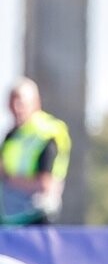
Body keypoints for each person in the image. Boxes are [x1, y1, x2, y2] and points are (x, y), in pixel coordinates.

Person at [0, 78, 71, 226]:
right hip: (10, 217)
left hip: (37, 218)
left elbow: (46, 184)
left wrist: (9, 179)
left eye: (21, 102)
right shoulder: (12, 135)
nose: (16, 108)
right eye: (12, 102)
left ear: (36, 103)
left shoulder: (47, 133)